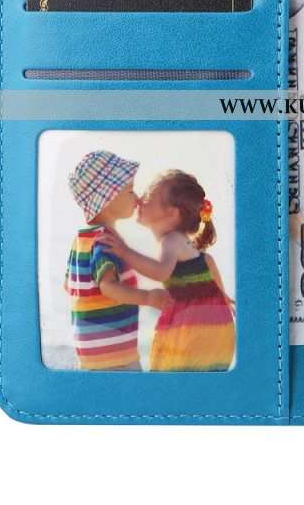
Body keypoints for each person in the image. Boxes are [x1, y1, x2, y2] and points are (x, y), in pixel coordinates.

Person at [98, 170, 235, 371]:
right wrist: (223, 297)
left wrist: (125, 252)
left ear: (172, 213)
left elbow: (161, 272)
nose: (140, 200)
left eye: (148, 198)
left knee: (174, 375)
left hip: (195, 325)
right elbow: (208, 261)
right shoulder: (182, 241)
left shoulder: (171, 241)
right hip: (216, 323)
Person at [65, 150, 171, 370]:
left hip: (91, 354)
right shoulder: (105, 241)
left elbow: (69, 285)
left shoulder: (81, 240)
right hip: (114, 356)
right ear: (107, 198)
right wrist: (148, 297)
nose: (137, 198)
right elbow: (108, 287)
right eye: (130, 191)